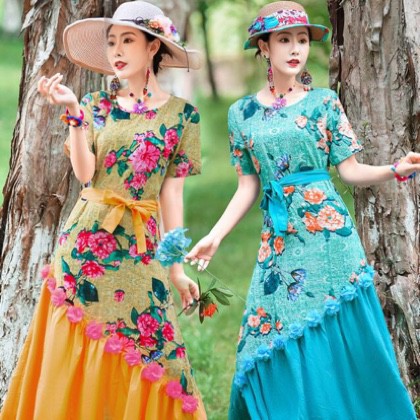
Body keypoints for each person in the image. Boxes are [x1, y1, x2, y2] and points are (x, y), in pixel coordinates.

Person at [185, 1, 420, 419]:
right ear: (264, 47)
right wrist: (215, 236)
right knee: (263, 335)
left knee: (331, 327)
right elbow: (247, 186)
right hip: (278, 241)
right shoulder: (241, 114)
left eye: (301, 40)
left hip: (329, 236)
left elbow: (349, 170)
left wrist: (394, 169)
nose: (295, 48)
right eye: (284, 40)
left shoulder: (324, 103)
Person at [0, 2, 207, 419]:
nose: (117, 50)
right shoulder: (95, 104)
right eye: (112, 42)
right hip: (86, 245)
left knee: (157, 351)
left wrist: (176, 269)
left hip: (141, 245)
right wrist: (74, 113)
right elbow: (85, 173)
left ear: (153, 47)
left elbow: (172, 197)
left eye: (128, 40)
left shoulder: (183, 116)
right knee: (80, 339)